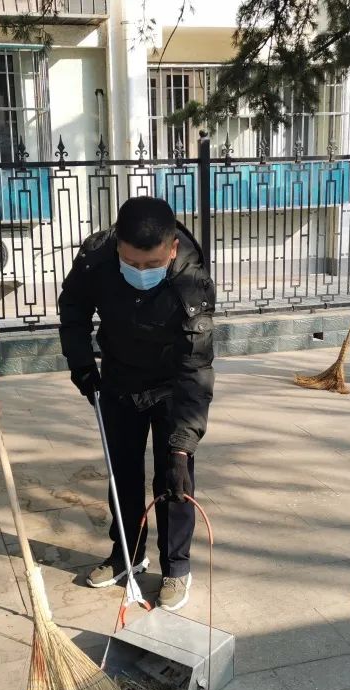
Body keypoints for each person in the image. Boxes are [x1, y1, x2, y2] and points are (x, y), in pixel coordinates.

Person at [58, 197, 215, 612]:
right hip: (118, 379)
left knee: (174, 481)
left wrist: (182, 447)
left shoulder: (190, 282)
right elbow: (72, 308)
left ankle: (176, 567)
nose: (141, 273)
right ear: (118, 247)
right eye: (132, 263)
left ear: (172, 250)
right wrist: (81, 366)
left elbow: (195, 370)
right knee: (122, 474)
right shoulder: (97, 258)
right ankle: (126, 556)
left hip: (170, 385)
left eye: (152, 265)